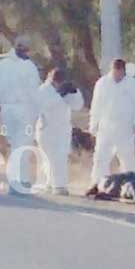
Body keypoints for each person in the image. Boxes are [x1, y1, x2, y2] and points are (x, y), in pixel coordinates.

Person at [87, 58, 135, 195]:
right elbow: (96, 105)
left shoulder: (132, 84)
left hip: (125, 127)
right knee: (100, 157)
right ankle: (97, 184)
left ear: (123, 71)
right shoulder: (102, 83)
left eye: (119, 73)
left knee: (127, 157)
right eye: (115, 72)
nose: (117, 76)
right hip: (106, 125)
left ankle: (131, 187)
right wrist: (93, 125)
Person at [0, 35, 42, 193]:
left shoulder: (2, 65)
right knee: (23, 145)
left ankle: (14, 180)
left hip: (7, 110)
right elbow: (34, 92)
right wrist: (37, 113)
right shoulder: (28, 66)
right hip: (24, 109)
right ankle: (21, 181)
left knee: (14, 145)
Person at [36, 68, 84, 196]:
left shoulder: (65, 90)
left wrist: (75, 92)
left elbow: (77, 106)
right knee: (50, 158)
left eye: (60, 82)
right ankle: (50, 183)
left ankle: (59, 185)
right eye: (55, 81)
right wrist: (59, 95)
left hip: (63, 129)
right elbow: (45, 106)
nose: (57, 84)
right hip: (46, 129)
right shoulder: (43, 90)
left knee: (60, 157)